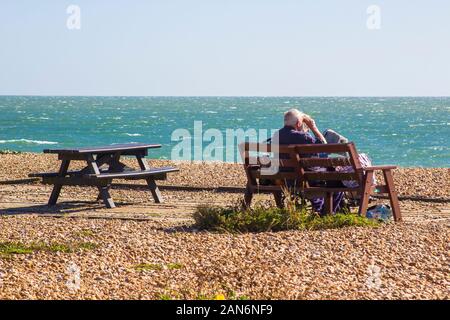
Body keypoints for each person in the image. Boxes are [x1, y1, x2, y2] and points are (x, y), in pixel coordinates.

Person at [272, 108, 344, 215]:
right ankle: (325, 214)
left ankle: (321, 209)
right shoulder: (304, 137)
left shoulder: (275, 136)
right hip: (308, 179)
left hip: (287, 179)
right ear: (299, 123)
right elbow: (325, 147)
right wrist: (313, 128)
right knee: (339, 180)